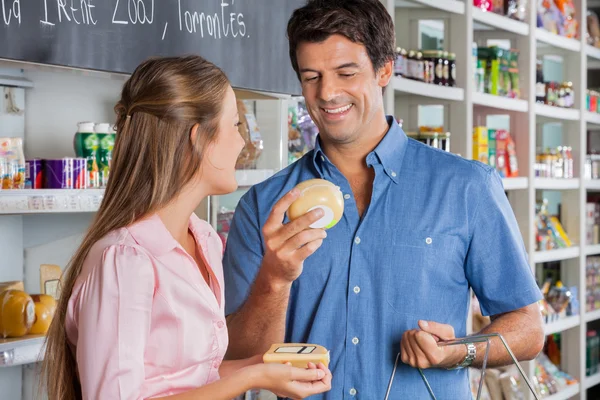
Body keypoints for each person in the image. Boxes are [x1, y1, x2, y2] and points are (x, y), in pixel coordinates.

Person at [223, 0, 545, 398]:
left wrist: (455, 352)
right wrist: (274, 279)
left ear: (385, 69)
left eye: (345, 72)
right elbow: (236, 357)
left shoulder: (466, 187)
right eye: (311, 77)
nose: (327, 92)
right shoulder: (263, 205)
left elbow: (528, 328)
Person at [41, 55, 332, 400]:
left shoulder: (205, 240)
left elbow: (187, 378)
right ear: (198, 138)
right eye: (235, 124)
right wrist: (248, 377)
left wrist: (259, 368)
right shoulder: (124, 260)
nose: (242, 142)